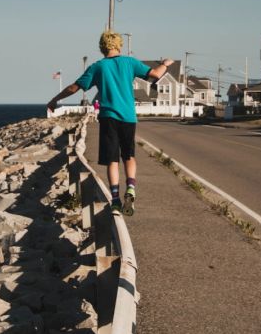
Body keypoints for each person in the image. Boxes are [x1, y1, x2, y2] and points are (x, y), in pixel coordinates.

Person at [47, 31, 171, 215]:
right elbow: (155, 74)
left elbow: (75, 87)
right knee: (129, 156)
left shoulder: (97, 67)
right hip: (128, 117)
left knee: (112, 159)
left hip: (108, 118)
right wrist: (165, 64)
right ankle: (130, 188)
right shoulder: (130, 62)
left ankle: (115, 199)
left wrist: (55, 99)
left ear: (102, 47)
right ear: (119, 45)